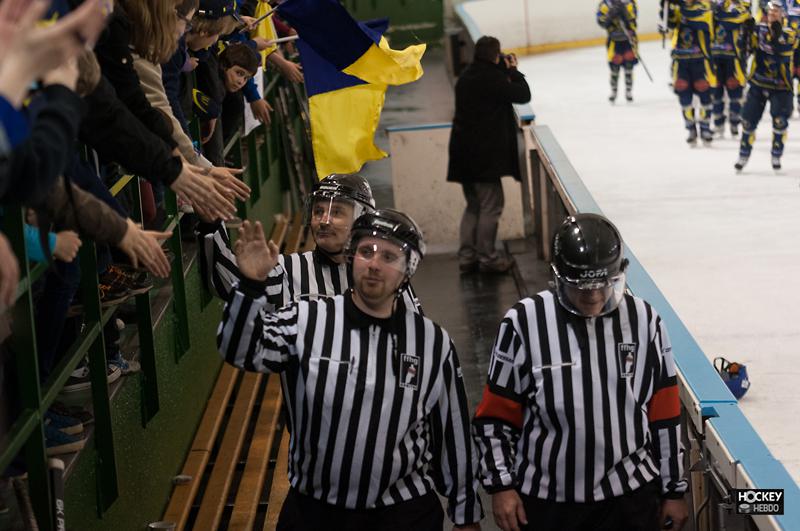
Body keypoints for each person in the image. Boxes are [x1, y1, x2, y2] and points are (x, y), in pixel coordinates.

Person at [217, 209, 483, 530]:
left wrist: (466, 514)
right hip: (315, 513)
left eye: (389, 256)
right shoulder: (305, 319)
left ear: (407, 270)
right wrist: (250, 286)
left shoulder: (432, 343)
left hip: (403, 515)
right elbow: (239, 349)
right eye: (366, 251)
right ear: (351, 257)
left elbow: (452, 434)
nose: (373, 264)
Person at [473, 213, 689, 531]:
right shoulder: (524, 322)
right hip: (548, 505)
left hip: (629, 499)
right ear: (558, 277)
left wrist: (674, 490)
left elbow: (665, 415)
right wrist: (501, 486)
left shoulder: (645, 321)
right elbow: (495, 417)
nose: (595, 296)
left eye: (604, 285)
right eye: (582, 287)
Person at [198, 173, 421, 312]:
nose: (323, 221)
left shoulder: (383, 273)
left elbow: (413, 337)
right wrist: (211, 223)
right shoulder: (287, 270)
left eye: (337, 212)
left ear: (361, 218)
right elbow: (225, 283)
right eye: (318, 211)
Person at [447, 35, 531, 275]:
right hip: (483, 160)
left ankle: (467, 257)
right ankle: (488, 257)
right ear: (495, 55)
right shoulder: (492, 78)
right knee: (491, 207)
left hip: (463, 156)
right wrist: (513, 70)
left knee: (473, 206)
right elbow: (523, 95)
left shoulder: (466, 77)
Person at [735, 1, 797, 171]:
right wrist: (745, 34)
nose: (772, 14)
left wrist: (775, 33)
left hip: (781, 86)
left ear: (783, 14)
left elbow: (782, 49)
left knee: (780, 121)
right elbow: (745, 51)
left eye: (776, 12)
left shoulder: (791, 31)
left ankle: (776, 154)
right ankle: (743, 154)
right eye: (770, 12)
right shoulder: (759, 30)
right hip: (758, 82)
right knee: (747, 121)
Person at [665, 0, 717, 146]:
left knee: (705, 97)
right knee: (685, 98)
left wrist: (680, 7)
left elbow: (698, 22)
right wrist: (666, 9)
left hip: (701, 61)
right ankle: (690, 128)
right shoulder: (678, 7)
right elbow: (671, 24)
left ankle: (705, 128)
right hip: (681, 62)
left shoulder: (705, 6)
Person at [711, 0, 753, 137]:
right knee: (716, 92)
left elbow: (737, 18)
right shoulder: (716, 4)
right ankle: (718, 124)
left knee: (735, 93)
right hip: (715, 56)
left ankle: (734, 123)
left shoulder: (743, 3)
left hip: (735, 57)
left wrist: (716, 13)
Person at [596, 0, 639, 103]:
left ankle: (628, 91)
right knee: (614, 67)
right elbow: (601, 22)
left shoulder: (630, 3)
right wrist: (610, 15)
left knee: (629, 66)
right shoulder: (605, 4)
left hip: (628, 40)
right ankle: (613, 91)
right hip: (614, 41)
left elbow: (633, 22)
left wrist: (624, 14)